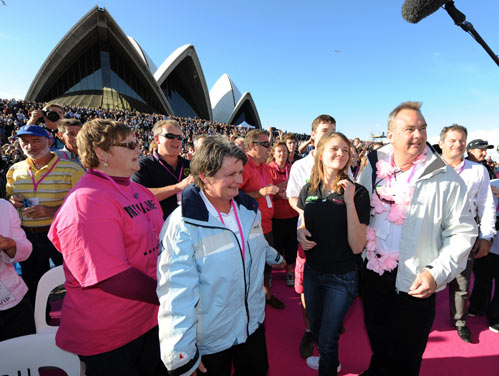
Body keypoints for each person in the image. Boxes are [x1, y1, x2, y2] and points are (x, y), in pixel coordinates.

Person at [358, 101, 477, 376]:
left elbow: (462, 232)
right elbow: (359, 211)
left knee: (408, 355)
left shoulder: (445, 177)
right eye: (409, 128)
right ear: (390, 135)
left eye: (422, 128)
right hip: (374, 276)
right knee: (378, 339)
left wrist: (436, 272)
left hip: (417, 281)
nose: (418, 135)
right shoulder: (372, 165)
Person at [157, 136, 285, 376]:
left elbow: (251, 244)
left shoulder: (248, 209)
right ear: (204, 176)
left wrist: (274, 256)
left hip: (252, 324)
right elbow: (175, 292)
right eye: (230, 174)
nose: (239, 180)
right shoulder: (182, 224)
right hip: (211, 337)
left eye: (240, 172)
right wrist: (181, 355)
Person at [48, 119, 167, 375]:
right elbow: (111, 277)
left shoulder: (140, 191)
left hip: (152, 318)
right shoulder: (86, 202)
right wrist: (171, 294)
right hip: (112, 333)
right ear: (101, 153)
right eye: (130, 145)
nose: (139, 149)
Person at [297, 132, 370, 375]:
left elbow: (358, 246)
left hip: (341, 277)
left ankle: (328, 366)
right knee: (316, 327)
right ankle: (328, 360)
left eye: (346, 151)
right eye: (335, 149)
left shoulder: (357, 193)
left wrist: (349, 202)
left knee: (328, 339)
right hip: (313, 272)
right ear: (320, 155)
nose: (341, 154)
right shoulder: (308, 188)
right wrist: (300, 231)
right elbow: (304, 218)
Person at [6, 125, 84, 304]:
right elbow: (9, 196)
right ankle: (39, 324)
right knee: (33, 283)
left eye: (36, 141)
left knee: (75, 278)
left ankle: (82, 318)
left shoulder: (72, 169)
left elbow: (84, 205)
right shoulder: (14, 170)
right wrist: (12, 201)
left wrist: (52, 211)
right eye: (24, 142)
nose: (30, 146)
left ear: (49, 141)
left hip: (61, 234)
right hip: (27, 235)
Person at [438, 125, 496, 342]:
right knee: (424, 277)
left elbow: (486, 205)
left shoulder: (478, 170)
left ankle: (460, 321)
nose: (458, 144)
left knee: (461, 283)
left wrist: (486, 236)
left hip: (466, 236)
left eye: (462, 140)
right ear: (441, 143)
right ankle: (420, 323)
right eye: (452, 140)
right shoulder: (427, 168)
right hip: (431, 235)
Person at [286, 114, 336, 359]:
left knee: (333, 283)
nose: (330, 135)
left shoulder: (340, 162)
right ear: (313, 135)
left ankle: (327, 323)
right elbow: (292, 197)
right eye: (325, 131)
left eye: (334, 131)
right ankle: (309, 329)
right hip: (307, 234)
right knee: (306, 286)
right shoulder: (300, 166)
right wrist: (312, 212)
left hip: (335, 238)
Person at [240, 129, 283, 308]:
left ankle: (266, 294)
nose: (269, 148)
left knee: (266, 266)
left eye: (269, 144)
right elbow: (234, 196)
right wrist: (261, 192)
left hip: (267, 225)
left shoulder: (266, 166)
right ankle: (252, 300)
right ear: (252, 146)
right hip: (251, 228)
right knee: (252, 268)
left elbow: (269, 192)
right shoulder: (242, 166)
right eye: (265, 144)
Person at [131, 119, 193, 220]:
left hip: (189, 226)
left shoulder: (190, 165)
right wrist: (178, 187)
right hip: (158, 230)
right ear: (157, 139)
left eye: (179, 137)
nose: (176, 140)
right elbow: (139, 196)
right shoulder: (143, 165)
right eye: (170, 136)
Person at [0, 198, 34, 341]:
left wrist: (9, 244)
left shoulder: (4, 207)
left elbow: (25, 249)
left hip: (13, 301)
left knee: (25, 359)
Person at [469, 177, 499, 333]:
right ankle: (478, 306)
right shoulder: (492, 184)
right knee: (482, 277)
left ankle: (496, 316)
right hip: (488, 241)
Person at [268, 141, 299, 286]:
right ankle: (270, 274)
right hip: (275, 216)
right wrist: (277, 192)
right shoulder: (268, 170)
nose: (282, 154)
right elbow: (263, 193)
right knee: (276, 246)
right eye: (279, 151)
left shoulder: (293, 169)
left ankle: (289, 272)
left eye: (285, 151)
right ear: (273, 154)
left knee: (291, 246)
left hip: (292, 214)